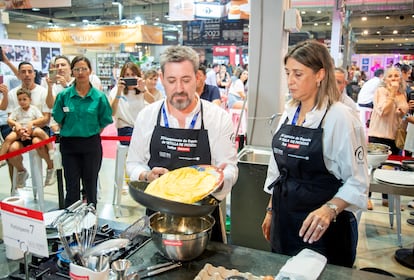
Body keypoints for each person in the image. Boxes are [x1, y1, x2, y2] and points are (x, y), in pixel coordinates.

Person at [261, 40, 369, 268]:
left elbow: (358, 181)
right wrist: (271, 210)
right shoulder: (290, 112)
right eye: (288, 73)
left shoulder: (339, 117)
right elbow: (278, 170)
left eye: (298, 74)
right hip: (285, 221)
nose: (290, 81)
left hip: (321, 229)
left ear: (320, 75)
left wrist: (329, 210)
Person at [125, 46, 238, 243]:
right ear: (161, 79)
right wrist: (146, 175)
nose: (179, 88)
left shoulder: (218, 118)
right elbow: (133, 164)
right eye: (171, 80)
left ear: (198, 78)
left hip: (203, 218)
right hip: (158, 217)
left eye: (186, 80)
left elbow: (230, 168)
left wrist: (217, 181)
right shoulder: (147, 116)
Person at [52, 55, 113, 207]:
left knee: (91, 186)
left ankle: (90, 222)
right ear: (72, 72)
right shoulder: (63, 96)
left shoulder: (99, 97)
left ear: (90, 71)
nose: (80, 72)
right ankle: (70, 224)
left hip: (91, 145)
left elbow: (104, 120)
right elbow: (58, 118)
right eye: (77, 69)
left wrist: (91, 131)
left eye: (84, 69)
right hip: (69, 146)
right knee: (72, 188)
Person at [6, 62, 55, 189]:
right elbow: (11, 117)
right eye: (23, 72)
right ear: (18, 74)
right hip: (19, 131)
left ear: (34, 74)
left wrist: (31, 124)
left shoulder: (43, 92)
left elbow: (46, 118)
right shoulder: (12, 94)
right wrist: (20, 128)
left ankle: (50, 167)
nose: (27, 75)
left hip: (39, 129)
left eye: (29, 71)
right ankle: (22, 171)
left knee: (38, 142)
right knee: (12, 149)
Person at [367, 66, 409, 210]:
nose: (394, 79)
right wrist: (392, 93)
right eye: (390, 76)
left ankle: (387, 198)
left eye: (396, 76)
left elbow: (403, 116)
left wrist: (403, 112)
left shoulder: (402, 95)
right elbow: (383, 111)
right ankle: (367, 197)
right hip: (378, 134)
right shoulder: (381, 91)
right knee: (372, 168)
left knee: (390, 169)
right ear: (385, 79)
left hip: (394, 136)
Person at [0, 88, 53, 170]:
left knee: (40, 132)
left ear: (30, 100)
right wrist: (16, 124)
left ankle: (51, 149)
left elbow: (41, 118)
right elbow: (9, 119)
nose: (22, 102)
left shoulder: (33, 109)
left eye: (24, 99)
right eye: (19, 100)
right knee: (9, 138)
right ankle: (2, 158)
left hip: (32, 128)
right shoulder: (17, 110)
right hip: (20, 130)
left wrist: (32, 123)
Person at [109, 62, 146, 146]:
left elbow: (152, 102)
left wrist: (143, 90)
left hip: (141, 127)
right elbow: (111, 112)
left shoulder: (142, 90)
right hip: (125, 128)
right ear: (122, 77)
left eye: (133, 74)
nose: (130, 77)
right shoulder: (116, 90)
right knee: (138, 143)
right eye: (127, 75)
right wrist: (118, 92)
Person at [45, 55, 74, 132]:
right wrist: (49, 87)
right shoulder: (54, 85)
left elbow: (77, 103)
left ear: (70, 68)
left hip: (75, 119)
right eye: (57, 66)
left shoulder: (77, 82)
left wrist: (66, 86)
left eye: (63, 65)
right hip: (58, 122)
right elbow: (50, 105)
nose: (60, 68)